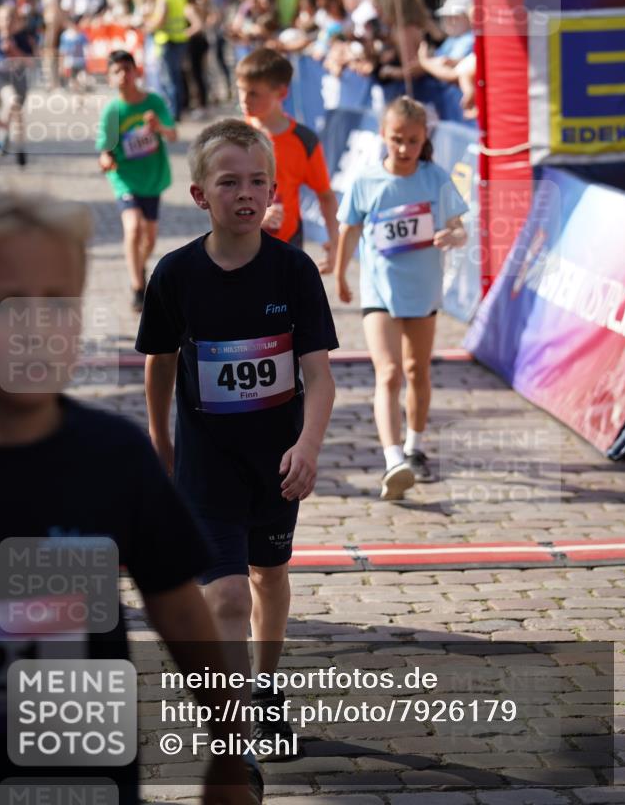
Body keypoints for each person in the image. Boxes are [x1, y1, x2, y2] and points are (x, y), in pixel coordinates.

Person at [0, 189, 253, 805]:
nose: (34, 328)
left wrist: (229, 757)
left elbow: (182, 615)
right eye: (0, 305)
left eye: (57, 303)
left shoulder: (113, 458)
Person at [136, 119, 337, 767]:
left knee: (267, 578)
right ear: (199, 194)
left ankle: (267, 688)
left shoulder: (293, 272)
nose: (245, 194)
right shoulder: (175, 275)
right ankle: (233, 733)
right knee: (223, 594)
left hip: (277, 462)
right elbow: (159, 360)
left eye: (257, 182)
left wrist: (307, 445)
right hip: (206, 461)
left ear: (273, 191)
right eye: (229, 183)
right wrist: (159, 442)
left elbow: (318, 375)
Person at [335, 96, 468, 496]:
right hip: (380, 289)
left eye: (413, 140)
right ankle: (393, 459)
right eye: (397, 140)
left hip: (423, 288)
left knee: (417, 371)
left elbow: (460, 228)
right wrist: (341, 274)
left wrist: (452, 235)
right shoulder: (366, 179)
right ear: (383, 135)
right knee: (389, 372)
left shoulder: (435, 178)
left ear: (424, 136)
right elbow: (349, 229)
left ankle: (415, 445)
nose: (405, 149)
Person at [235, 49, 339, 272]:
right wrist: (251, 216)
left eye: (254, 93)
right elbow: (216, 193)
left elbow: (325, 196)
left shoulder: (304, 141)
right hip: (238, 244)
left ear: (281, 92)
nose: (244, 99)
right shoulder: (233, 135)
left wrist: (335, 243)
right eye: (240, 90)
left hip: (286, 244)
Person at [95, 49, 177, 311]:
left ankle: (139, 265)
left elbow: (173, 134)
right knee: (133, 228)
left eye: (127, 69)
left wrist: (158, 128)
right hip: (125, 179)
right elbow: (105, 149)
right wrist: (106, 159)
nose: (123, 76)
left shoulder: (153, 102)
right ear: (109, 78)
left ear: (136, 72)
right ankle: (137, 287)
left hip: (152, 178)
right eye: (116, 72)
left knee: (150, 238)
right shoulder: (112, 111)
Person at [0, 4, 35, 166]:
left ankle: (19, 146)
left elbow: (31, 62)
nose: (7, 22)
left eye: (11, 19)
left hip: (20, 82)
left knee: (17, 114)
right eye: (4, 19)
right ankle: (2, 138)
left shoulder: (22, 39)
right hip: (3, 82)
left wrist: (14, 50)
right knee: (11, 102)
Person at [147, 0, 190, 121]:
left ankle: (172, 112)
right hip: (179, 39)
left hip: (167, 40)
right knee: (176, 78)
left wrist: (147, 26)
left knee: (169, 79)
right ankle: (178, 109)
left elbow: (160, 20)